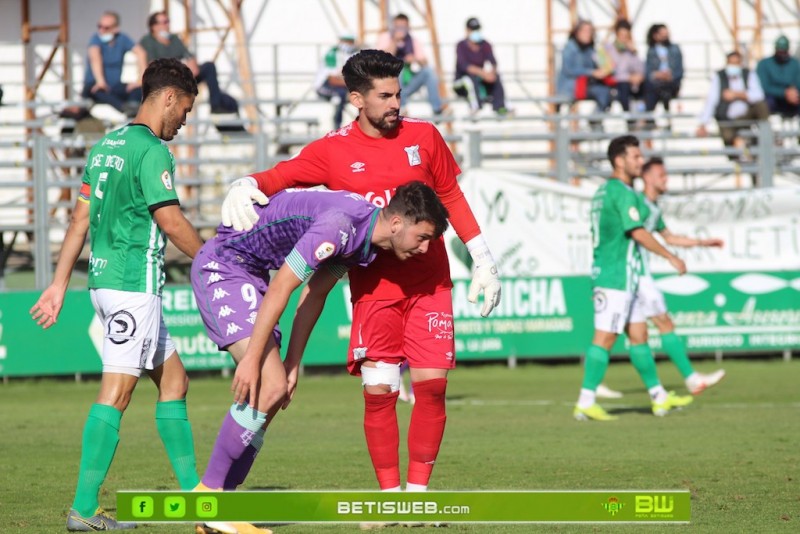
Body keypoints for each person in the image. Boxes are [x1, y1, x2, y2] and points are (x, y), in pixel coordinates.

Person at [218, 49, 501, 493]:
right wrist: (247, 184)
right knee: (381, 391)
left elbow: (452, 196)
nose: (396, 104)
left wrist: (483, 258)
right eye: (385, 95)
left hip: (431, 283)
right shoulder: (332, 150)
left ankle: (417, 496)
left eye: (398, 93)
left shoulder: (425, 137)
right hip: (373, 288)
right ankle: (390, 497)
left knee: (431, 388)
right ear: (356, 98)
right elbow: (284, 175)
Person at [192, 182, 449, 505]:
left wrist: (293, 364)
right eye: (422, 237)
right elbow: (282, 287)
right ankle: (208, 497)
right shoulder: (339, 227)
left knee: (274, 393)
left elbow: (314, 294)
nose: (424, 249)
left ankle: (222, 505)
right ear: (397, 224)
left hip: (251, 272)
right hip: (225, 266)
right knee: (268, 386)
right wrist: (251, 359)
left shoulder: (362, 242)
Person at [30, 58, 203, 530]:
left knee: (174, 383)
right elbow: (169, 221)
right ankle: (83, 509)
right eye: (185, 109)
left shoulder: (106, 146)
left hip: (105, 284)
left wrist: (59, 284)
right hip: (133, 286)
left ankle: (197, 502)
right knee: (117, 393)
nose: (184, 121)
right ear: (169, 97)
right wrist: (213, 261)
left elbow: (79, 221)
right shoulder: (152, 151)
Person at [573, 135, 693, 422]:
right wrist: (670, 256)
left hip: (623, 277)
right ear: (619, 160)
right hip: (615, 275)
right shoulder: (623, 192)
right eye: (636, 157)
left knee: (639, 334)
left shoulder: (605, 190)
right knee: (605, 336)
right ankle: (585, 400)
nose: (641, 162)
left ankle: (658, 396)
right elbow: (637, 232)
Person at [633, 157, 726, 394]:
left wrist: (702, 242)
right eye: (661, 175)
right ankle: (690, 378)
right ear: (647, 177)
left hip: (638, 274)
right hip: (635, 274)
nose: (666, 180)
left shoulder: (653, 209)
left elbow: (670, 237)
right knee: (658, 324)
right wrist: (670, 257)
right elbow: (637, 235)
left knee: (632, 331)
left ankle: (592, 386)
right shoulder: (637, 204)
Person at [139, 11, 239, 114]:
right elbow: (152, 66)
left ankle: (216, 106)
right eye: (164, 22)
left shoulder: (174, 39)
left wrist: (187, 68)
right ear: (154, 26)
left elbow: (190, 58)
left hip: (182, 77)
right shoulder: (147, 41)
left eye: (168, 21)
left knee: (209, 67)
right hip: (165, 82)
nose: (167, 25)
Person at [698, 51, 770, 159]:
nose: (734, 66)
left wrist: (737, 95)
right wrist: (703, 123)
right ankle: (741, 151)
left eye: (736, 63)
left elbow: (759, 95)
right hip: (728, 118)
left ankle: (767, 135)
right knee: (729, 137)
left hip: (746, 116)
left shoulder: (748, 74)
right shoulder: (720, 77)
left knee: (761, 106)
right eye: (731, 63)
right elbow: (711, 100)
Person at [376, 13, 449, 116]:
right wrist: (395, 41)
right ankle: (400, 107)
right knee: (398, 69)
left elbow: (424, 62)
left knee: (429, 71)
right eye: (398, 27)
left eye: (403, 27)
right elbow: (382, 59)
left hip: (407, 82)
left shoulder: (413, 41)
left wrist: (415, 60)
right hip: (389, 82)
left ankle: (436, 108)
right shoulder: (385, 37)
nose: (401, 30)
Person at [81, 11, 147, 117]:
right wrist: (100, 81)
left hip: (114, 86)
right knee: (99, 92)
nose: (101, 30)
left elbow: (141, 53)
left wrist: (141, 79)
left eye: (106, 28)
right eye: (99, 26)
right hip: (95, 85)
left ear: (116, 28)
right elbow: (95, 57)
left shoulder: (122, 38)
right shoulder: (95, 39)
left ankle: (133, 106)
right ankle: (125, 109)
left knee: (138, 89)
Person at [556, 20, 612, 128]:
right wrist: (591, 73)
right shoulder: (569, 48)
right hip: (571, 87)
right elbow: (569, 69)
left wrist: (604, 63)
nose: (588, 34)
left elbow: (600, 65)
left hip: (586, 85)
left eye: (590, 31)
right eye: (585, 31)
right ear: (577, 32)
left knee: (606, 93)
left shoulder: (591, 50)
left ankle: (595, 120)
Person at [453, 17, 509, 116]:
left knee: (496, 77)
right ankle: (475, 107)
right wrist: (483, 73)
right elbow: (464, 66)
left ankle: (500, 107)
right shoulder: (461, 45)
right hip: (461, 82)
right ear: (467, 30)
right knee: (469, 79)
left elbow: (493, 62)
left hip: (478, 80)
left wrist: (492, 73)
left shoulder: (485, 44)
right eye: (473, 29)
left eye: (477, 29)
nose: (475, 32)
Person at [605, 19, 645, 128]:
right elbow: (610, 70)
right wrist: (628, 77)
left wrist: (634, 52)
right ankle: (630, 120)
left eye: (626, 35)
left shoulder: (630, 52)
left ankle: (645, 118)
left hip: (632, 83)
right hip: (617, 83)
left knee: (647, 86)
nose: (623, 38)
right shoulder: (608, 49)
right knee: (624, 87)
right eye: (621, 35)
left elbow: (640, 69)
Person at [315, 33, 359, 129]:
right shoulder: (332, 54)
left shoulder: (355, 54)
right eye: (345, 40)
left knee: (364, 96)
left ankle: (362, 127)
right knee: (338, 97)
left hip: (345, 86)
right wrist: (354, 83)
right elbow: (332, 79)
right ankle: (336, 127)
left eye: (349, 41)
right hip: (325, 85)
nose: (347, 44)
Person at [643, 24, 683, 127]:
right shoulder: (651, 51)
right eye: (662, 33)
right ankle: (650, 118)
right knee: (651, 89)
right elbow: (648, 71)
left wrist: (670, 76)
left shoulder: (675, 49)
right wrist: (657, 75)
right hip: (656, 83)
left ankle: (662, 118)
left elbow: (680, 69)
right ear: (655, 35)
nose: (665, 36)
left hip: (671, 82)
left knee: (664, 90)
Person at [756, 35, 800, 117]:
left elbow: (798, 82)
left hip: (792, 97)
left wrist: (794, 93)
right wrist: (784, 92)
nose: (782, 54)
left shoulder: (795, 63)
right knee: (765, 103)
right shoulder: (764, 64)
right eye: (780, 51)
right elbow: (764, 86)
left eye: (784, 51)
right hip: (773, 98)